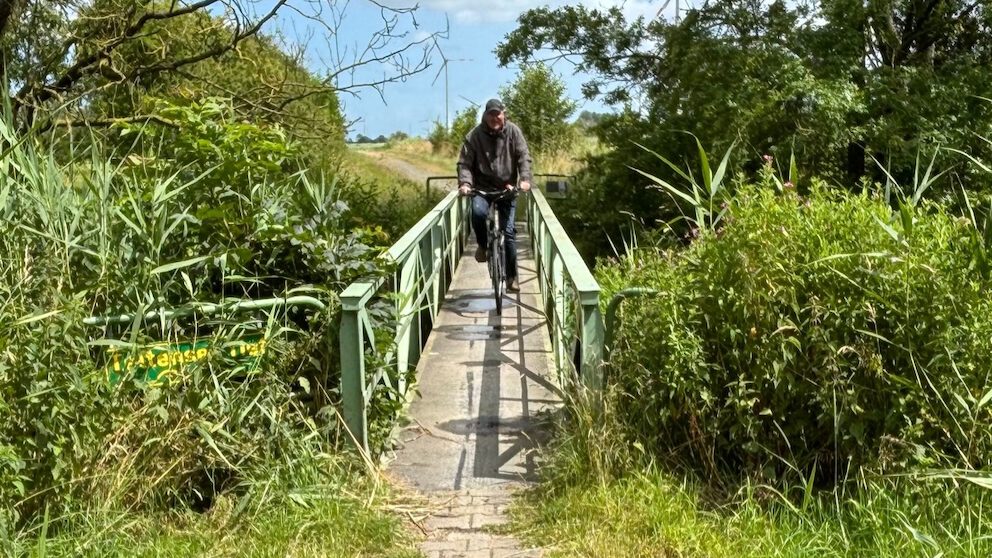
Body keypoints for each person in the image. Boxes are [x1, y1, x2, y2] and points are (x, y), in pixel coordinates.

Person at [456, 98, 532, 292]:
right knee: (478, 213)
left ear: (503, 114)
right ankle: (482, 246)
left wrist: (524, 179)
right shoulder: (474, 135)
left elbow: (524, 156)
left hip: (506, 189)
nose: (494, 118)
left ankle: (512, 278)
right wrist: (465, 183)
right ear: (486, 115)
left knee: (509, 233)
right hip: (482, 188)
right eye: (491, 114)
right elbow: (464, 163)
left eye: (497, 114)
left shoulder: (513, 132)